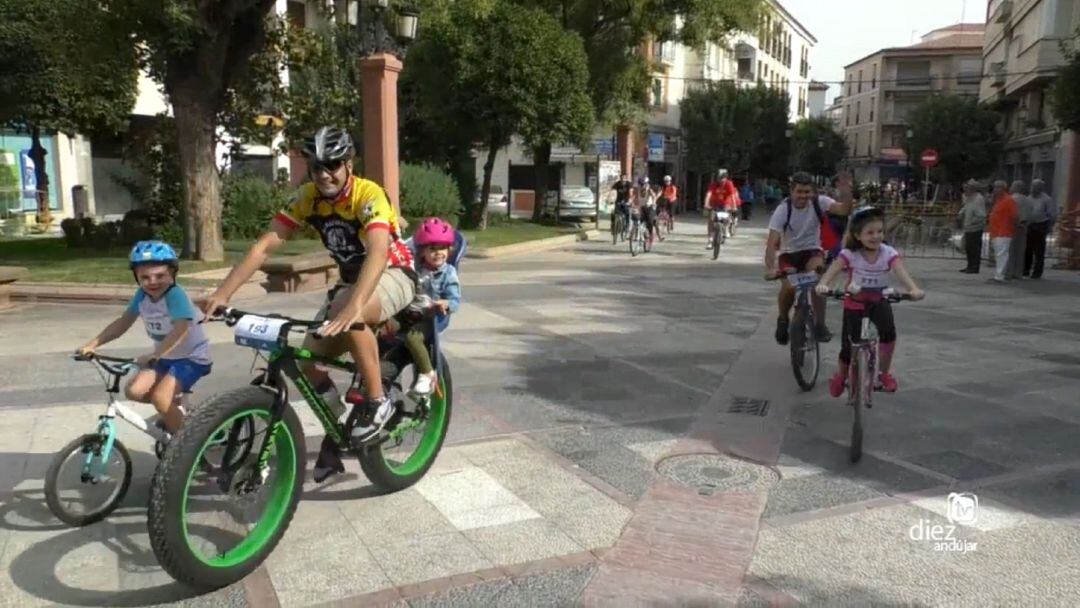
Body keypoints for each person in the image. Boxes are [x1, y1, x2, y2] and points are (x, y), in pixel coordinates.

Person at [199, 126, 417, 479]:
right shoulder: (307, 198)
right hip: (351, 283)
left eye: (333, 166)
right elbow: (264, 246)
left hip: (394, 272)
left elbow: (378, 251)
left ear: (349, 163)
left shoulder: (368, 194)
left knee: (350, 306)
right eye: (317, 167)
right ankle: (340, 422)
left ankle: (377, 403)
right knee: (306, 360)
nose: (325, 174)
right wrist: (223, 294)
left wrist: (354, 305)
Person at [77, 241, 212, 443]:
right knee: (134, 391)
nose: (152, 282)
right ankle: (176, 414)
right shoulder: (142, 296)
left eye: (160, 276)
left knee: (160, 398)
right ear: (136, 277)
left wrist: (156, 355)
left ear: (173, 273)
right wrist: (92, 345)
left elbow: (181, 329)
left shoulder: (175, 295)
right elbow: (123, 322)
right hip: (166, 356)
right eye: (145, 277)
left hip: (191, 357)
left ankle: (189, 447)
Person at [815, 207, 925, 397]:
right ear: (858, 235)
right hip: (855, 302)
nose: (876, 236)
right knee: (849, 346)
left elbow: (901, 272)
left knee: (888, 335)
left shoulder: (888, 253)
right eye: (870, 232)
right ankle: (841, 375)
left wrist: (913, 290)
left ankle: (883, 374)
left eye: (880, 231)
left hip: (879, 300)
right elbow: (832, 271)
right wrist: (823, 285)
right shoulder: (849, 254)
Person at [764, 170, 855, 345]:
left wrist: (846, 191)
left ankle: (820, 324)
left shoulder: (819, 202)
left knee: (817, 281)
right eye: (799, 192)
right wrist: (770, 268)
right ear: (791, 191)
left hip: (812, 251)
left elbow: (844, 210)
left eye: (807, 192)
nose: (804, 196)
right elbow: (771, 242)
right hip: (788, 254)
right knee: (789, 289)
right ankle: (783, 319)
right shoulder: (783, 210)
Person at [387, 218, 461, 398]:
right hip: (409, 312)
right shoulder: (417, 268)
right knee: (383, 325)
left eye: (442, 248)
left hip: (429, 317)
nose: (438, 253)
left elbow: (455, 300)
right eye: (432, 249)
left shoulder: (448, 273)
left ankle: (427, 374)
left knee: (413, 338)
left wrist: (445, 303)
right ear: (422, 252)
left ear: (449, 250)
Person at [1024, 179, 1058, 279]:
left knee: (1039, 250)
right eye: (1032, 186)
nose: (1033, 189)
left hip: (1040, 225)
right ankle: (1026, 269)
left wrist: (1049, 226)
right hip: (1029, 225)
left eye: (1036, 187)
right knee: (1027, 249)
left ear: (1040, 188)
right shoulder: (1028, 198)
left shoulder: (1046, 199)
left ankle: (1037, 272)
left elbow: (1052, 214)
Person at [988, 180, 1019, 283]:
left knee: (1001, 255)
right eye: (995, 187)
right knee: (999, 255)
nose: (996, 189)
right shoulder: (998, 200)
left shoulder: (1008, 200)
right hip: (996, 232)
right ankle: (999, 274)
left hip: (1004, 232)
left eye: (998, 187)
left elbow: (1014, 216)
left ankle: (1000, 276)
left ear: (1004, 188)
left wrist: (1012, 228)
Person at [957, 179, 988, 274]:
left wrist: (972, 222)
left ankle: (974, 267)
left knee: (974, 248)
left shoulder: (978, 199)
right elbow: (966, 207)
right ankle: (970, 265)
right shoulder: (970, 198)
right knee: (969, 248)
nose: (965, 190)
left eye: (967, 188)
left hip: (975, 227)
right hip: (969, 227)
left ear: (973, 189)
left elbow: (981, 215)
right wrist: (960, 213)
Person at [704, 169, 740, 246]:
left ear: (726, 177)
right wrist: (706, 204)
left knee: (727, 217)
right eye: (719, 177)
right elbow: (709, 194)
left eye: (722, 177)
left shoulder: (729, 184)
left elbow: (732, 196)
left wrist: (734, 206)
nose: (721, 179)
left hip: (726, 204)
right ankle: (710, 239)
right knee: (711, 219)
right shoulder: (714, 184)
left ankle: (726, 229)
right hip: (715, 204)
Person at [1007, 180, 1032, 280]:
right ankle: (1018, 272)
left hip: (1012, 227)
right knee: (1020, 250)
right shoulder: (1027, 200)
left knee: (1010, 250)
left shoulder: (1011, 199)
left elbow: (1010, 214)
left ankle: (1009, 271)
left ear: (1015, 188)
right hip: (1023, 227)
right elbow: (1031, 214)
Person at [636, 176, 660, 243]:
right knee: (638, 220)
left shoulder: (649, 190)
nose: (641, 186)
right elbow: (635, 198)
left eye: (643, 184)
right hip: (642, 208)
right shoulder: (638, 190)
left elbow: (654, 196)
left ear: (646, 184)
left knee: (650, 221)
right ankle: (638, 235)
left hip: (649, 208)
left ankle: (651, 234)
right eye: (640, 184)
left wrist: (654, 203)